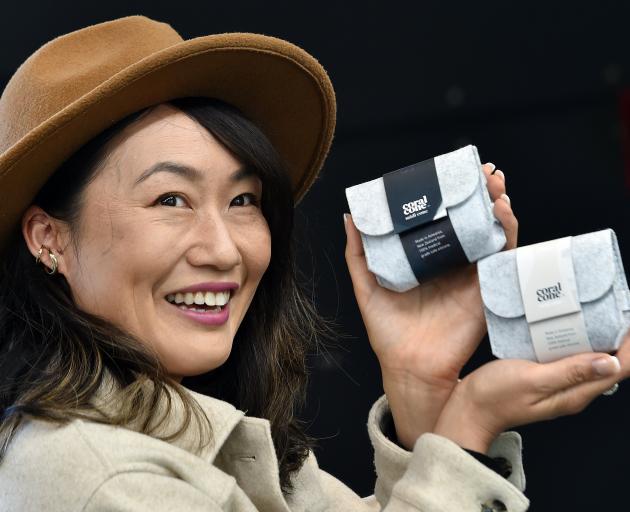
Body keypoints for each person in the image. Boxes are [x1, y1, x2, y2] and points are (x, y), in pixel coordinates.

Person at [0, 15, 627, 512]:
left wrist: (419, 390)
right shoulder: (95, 475)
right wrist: (469, 424)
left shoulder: (208, 432)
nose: (223, 249)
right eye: (171, 199)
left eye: (244, 199)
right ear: (49, 238)